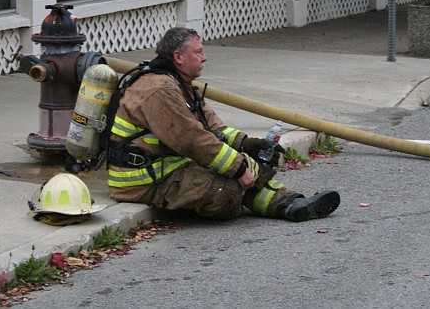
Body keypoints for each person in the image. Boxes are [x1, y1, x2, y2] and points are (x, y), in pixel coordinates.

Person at [106, 27, 340, 221]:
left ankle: (288, 204)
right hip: (141, 180)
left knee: (250, 164)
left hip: (168, 165)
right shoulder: (159, 90)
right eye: (198, 52)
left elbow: (214, 129)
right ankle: (274, 202)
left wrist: (248, 145)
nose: (204, 57)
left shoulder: (179, 83)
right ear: (178, 57)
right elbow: (193, 140)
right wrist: (238, 169)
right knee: (224, 193)